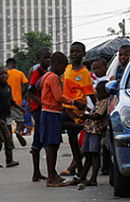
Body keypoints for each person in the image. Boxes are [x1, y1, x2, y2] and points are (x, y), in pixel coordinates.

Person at [39, 52, 86, 187]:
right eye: (64, 67)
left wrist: (65, 108)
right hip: (51, 113)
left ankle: (53, 175)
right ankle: (51, 178)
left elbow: (53, 98)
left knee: (53, 145)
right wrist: (74, 103)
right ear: (57, 64)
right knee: (52, 146)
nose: (64, 70)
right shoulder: (53, 77)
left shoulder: (46, 76)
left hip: (50, 112)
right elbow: (59, 97)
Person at [61, 42, 96, 177]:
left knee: (58, 122)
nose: (75, 54)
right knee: (72, 140)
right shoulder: (68, 68)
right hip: (66, 105)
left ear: (83, 54)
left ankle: (83, 126)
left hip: (77, 107)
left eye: (78, 52)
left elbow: (90, 93)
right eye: (72, 51)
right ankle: (79, 171)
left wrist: (97, 108)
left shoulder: (84, 73)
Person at [70, 81, 109, 187]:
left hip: (95, 132)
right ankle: (83, 177)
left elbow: (98, 115)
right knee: (87, 154)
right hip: (89, 130)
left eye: (99, 92)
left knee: (94, 154)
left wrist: (86, 116)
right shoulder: (99, 101)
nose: (96, 94)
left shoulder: (104, 102)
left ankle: (93, 179)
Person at [27, 47, 51, 182]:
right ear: (38, 59)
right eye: (45, 58)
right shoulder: (38, 72)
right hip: (39, 109)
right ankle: (48, 173)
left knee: (38, 138)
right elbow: (30, 91)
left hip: (43, 108)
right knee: (45, 138)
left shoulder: (47, 72)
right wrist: (41, 103)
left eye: (49, 57)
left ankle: (37, 173)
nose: (48, 59)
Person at [6, 58, 29, 146]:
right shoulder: (19, 73)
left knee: (8, 123)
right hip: (17, 102)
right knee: (20, 120)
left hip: (6, 103)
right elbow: (27, 84)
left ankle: (9, 143)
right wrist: (22, 94)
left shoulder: (4, 74)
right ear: (14, 64)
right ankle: (18, 131)